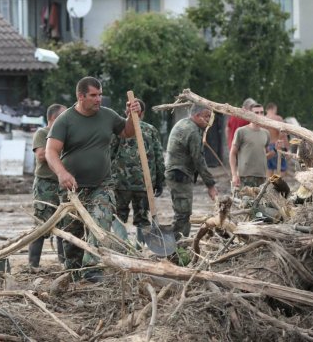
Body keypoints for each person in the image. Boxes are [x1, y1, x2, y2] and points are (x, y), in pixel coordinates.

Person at [45, 77, 139, 281]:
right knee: (73, 236)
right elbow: (50, 152)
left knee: (100, 221)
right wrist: (62, 173)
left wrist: (132, 115)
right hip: (73, 188)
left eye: (100, 94)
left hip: (102, 185)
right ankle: (74, 272)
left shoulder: (107, 115)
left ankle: (92, 268)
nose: (99, 99)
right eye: (94, 95)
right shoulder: (65, 120)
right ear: (81, 96)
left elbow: (127, 132)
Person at [110, 98, 165, 244]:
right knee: (142, 217)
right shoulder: (151, 130)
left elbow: (110, 154)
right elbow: (159, 158)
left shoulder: (118, 131)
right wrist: (160, 181)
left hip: (121, 183)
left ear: (126, 112)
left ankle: (123, 244)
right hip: (143, 183)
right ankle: (140, 247)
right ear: (142, 113)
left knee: (118, 215)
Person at [166, 104, 218, 239]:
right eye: (206, 117)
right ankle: (176, 247)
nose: (208, 121)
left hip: (176, 173)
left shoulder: (183, 123)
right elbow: (199, 160)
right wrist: (210, 185)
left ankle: (176, 245)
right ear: (196, 115)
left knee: (182, 213)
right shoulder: (193, 131)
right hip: (180, 175)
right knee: (183, 215)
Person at [28, 103, 67, 268]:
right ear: (53, 118)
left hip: (62, 184)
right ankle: (33, 265)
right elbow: (42, 155)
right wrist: (57, 146)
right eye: (64, 115)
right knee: (41, 225)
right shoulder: (42, 133)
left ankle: (64, 263)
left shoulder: (66, 134)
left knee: (64, 224)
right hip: (45, 185)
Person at [230, 103, 274, 189]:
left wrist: (276, 150)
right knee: (245, 202)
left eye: (261, 112)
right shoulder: (241, 131)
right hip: (245, 176)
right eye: (256, 112)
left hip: (262, 177)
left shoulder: (266, 133)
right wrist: (234, 175)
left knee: (261, 202)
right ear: (250, 114)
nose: (259, 115)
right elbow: (232, 153)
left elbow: (264, 156)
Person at [264, 102, 288, 175]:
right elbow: (283, 134)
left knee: (269, 169)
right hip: (277, 146)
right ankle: (277, 186)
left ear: (266, 110)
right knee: (281, 170)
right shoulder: (278, 118)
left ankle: (270, 186)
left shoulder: (262, 119)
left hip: (267, 148)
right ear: (274, 109)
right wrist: (286, 147)